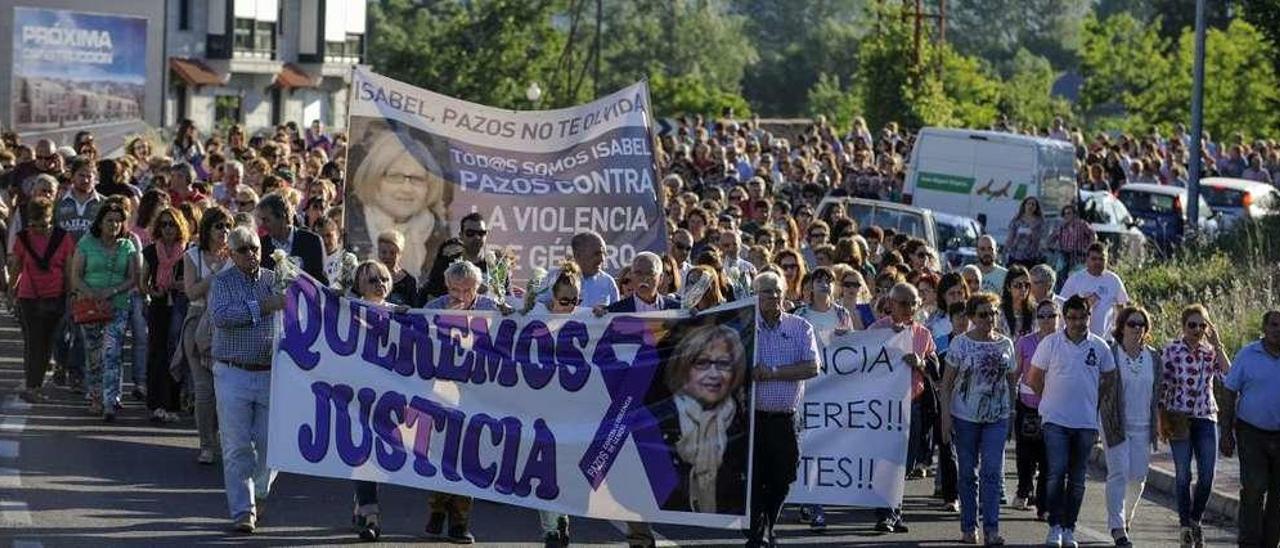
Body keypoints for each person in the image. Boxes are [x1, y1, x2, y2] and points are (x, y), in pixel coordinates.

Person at [209, 225, 285, 534]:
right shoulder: (222, 282)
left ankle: (261, 490)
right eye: (243, 249)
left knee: (272, 445)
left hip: (269, 372)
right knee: (237, 447)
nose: (251, 254)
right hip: (233, 372)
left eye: (255, 247)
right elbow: (222, 316)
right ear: (231, 253)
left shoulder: (274, 278)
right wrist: (264, 307)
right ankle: (243, 510)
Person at [1027, 295, 1117, 548]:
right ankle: (1054, 526)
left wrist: (1094, 402)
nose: (1077, 322)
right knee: (1056, 473)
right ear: (1065, 318)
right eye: (1072, 318)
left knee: (1077, 478)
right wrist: (1048, 400)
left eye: (1082, 317)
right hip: (1055, 420)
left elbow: (1109, 378)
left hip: (1086, 423)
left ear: (1089, 317)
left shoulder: (1100, 346)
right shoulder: (1051, 343)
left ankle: (1069, 528)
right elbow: (1034, 377)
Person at [421, 260, 501, 543]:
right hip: (440, 392)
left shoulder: (490, 308)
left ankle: (459, 521)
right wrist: (444, 319)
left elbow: (507, 335)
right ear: (446, 286)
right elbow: (416, 334)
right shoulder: (434, 308)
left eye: (466, 291)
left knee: (467, 456)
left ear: (477, 288)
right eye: (454, 289)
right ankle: (437, 510)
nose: (460, 296)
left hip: (475, 393)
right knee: (441, 453)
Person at [746, 271, 819, 548]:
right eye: (766, 291)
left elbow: (812, 367)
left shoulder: (800, 327)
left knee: (784, 476)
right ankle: (759, 535)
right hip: (752, 419)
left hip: (786, 419)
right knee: (755, 480)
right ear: (755, 295)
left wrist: (773, 372)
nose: (774, 296)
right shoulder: (744, 326)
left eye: (778, 291)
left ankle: (765, 526)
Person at [940, 292, 1017, 546]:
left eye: (993, 313)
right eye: (983, 314)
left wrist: (1012, 414)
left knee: (992, 473)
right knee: (967, 474)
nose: (989, 319)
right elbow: (947, 384)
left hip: (997, 417)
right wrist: (946, 420)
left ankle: (992, 529)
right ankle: (968, 527)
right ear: (971, 317)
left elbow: (1011, 380)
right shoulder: (960, 344)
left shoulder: (1005, 343)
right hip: (965, 417)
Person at [346, 260, 411, 542]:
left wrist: (410, 318)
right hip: (358, 395)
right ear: (359, 284)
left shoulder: (399, 312)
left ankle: (362, 504)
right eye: (372, 280)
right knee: (364, 452)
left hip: (389, 396)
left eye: (384, 279)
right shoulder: (349, 310)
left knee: (380, 455)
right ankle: (371, 514)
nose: (380, 284)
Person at [653, 324, 750, 513]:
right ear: (684, 367)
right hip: (673, 522)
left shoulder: (742, 424)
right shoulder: (660, 420)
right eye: (702, 363)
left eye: (723, 363)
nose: (713, 373)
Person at [1158, 304, 1231, 548]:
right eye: (1192, 325)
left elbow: (1229, 377)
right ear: (1183, 326)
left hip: (1206, 416)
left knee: (1207, 475)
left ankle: (1196, 519)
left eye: (1202, 325)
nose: (1197, 330)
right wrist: (1162, 419)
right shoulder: (1172, 349)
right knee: (1182, 475)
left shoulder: (1210, 352)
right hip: (1179, 417)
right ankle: (1185, 527)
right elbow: (1163, 386)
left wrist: (1218, 344)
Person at [524, 261, 585, 546]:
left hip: (570, 410)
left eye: (576, 301)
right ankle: (550, 529)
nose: (570, 306)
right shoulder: (534, 317)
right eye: (564, 300)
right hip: (539, 409)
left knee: (564, 470)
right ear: (552, 297)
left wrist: (599, 315)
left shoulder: (586, 320)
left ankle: (562, 521)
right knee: (543, 469)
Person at [870, 282, 938, 534]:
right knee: (888, 461)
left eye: (913, 303)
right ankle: (887, 512)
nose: (908, 308)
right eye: (902, 303)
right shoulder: (877, 330)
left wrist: (920, 362)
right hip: (885, 406)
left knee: (907, 462)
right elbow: (860, 358)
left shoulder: (923, 334)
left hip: (914, 403)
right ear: (890, 304)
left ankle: (894, 511)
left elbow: (935, 369)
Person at [346, 124, 452, 280]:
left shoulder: (439, 234)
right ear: (374, 178)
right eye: (396, 177)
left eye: (417, 179)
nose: (406, 188)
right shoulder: (348, 220)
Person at [791, 266, 853, 531]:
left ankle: (817, 505)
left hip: (833, 394)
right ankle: (807, 498)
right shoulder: (800, 315)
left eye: (829, 280)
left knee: (824, 449)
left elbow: (856, 349)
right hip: (805, 391)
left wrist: (844, 338)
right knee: (805, 448)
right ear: (810, 286)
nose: (824, 284)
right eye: (819, 280)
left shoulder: (842, 314)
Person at [69, 201, 139, 421]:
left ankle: (110, 401)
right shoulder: (86, 243)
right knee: (94, 354)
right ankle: (96, 397)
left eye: (118, 221)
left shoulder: (127, 245)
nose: (114, 224)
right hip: (90, 305)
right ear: (100, 222)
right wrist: (91, 292)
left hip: (116, 305)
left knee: (112, 352)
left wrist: (113, 291)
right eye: (109, 220)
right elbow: (76, 276)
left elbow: (133, 278)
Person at [1101, 306, 1162, 547]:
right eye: (1132, 324)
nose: (1137, 328)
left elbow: (1158, 392)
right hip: (1115, 423)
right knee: (1118, 473)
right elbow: (1102, 388)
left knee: (1138, 476)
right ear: (1121, 327)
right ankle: (1117, 527)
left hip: (1143, 424)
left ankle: (1126, 518)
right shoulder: (1111, 354)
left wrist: (1159, 423)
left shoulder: (1154, 358)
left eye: (1141, 324)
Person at [1220, 310, 1280, 548]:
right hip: (1252, 433)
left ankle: (1270, 542)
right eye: (1274, 325)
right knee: (1254, 489)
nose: (1278, 329)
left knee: (1278, 497)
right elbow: (1229, 391)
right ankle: (1249, 542)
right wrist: (1226, 432)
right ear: (1265, 329)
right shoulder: (1248, 355)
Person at [180, 206, 234, 465]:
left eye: (227, 227)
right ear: (208, 229)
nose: (224, 232)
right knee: (204, 389)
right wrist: (216, 274)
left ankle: (226, 439)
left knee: (225, 387)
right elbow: (191, 293)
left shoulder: (236, 256)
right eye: (219, 226)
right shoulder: (193, 256)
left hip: (226, 325)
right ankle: (206, 444)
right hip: (198, 321)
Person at [8, 198, 74, 403]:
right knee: (34, 341)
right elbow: (17, 267)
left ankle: (35, 385)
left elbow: (68, 271)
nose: (39, 230)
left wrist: (71, 296)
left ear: (51, 219)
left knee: (47, 342)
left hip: (55, 296)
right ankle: (32, 386)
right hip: (29, 297)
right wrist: (11, 293)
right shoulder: (23, 238)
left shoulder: (63, 238)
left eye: (44, 225)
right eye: (34, 225)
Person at [139, 207, 190, 423]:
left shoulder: (188, 251)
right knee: (157, 353)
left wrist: (181, 285)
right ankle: (156, 403)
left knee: (176, 354)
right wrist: (152, 290)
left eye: (172, 224)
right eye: (164, 224)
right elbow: (143, 282)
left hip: (180, 305)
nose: (168, 228)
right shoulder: (151, 251)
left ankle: (173, 404)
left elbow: (193, 280)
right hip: (159, 305)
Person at [1012, 300, 1057, 519]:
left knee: (1048, 456)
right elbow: (1015, 373)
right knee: (1025, 454)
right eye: (1042, 316)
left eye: (1051, 316)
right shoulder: (1025, 342)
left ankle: (1044, 505)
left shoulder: (1063, 343)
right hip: (1027, 405)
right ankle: (1023, 489)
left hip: (1054, 407)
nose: (1047, 320)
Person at [1058, 243, 1129, 338]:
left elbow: (1122, 307)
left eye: (1101, 259)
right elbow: (1062, 305)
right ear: (1087, 260)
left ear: (1107, 260)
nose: (1097, 262)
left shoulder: (1113, 280)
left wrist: (1120, 332)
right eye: (1094, 259)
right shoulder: (1075, 279)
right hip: (1079, 338)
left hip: (1106, 339)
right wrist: (1084, 303)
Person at [256, 193, 328, 284]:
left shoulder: (312, 241)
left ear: (283, 217)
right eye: (261, 220)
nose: (262, 225)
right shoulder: (262, 245)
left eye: (266, 220)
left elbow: (321, 281)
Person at [542, 231, 618, 308]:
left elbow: (618, 315)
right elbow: (537, 311)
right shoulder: (554, 278)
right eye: (596, 254)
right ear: (577, 255)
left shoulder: (608, 282)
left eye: (604, 253)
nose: (602, 259)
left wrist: (606, 312)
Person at [602, 252, 681, 314]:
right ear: (631, 276)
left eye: (650, 273)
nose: (644, 279)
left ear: (660, 278)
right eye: (638, 273)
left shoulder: (677, 309)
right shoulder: (615, 311)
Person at [1047, 205, 1095, 278]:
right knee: (1061, 277)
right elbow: (1050, 240)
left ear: (1075, 214)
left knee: (1078, 279)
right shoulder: (1061, 227)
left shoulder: (1082, 224)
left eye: (1069, 213)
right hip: (1064, 257)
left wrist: (1088, 249)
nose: (1066, 216)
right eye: (1064, 214)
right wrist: (1056, 248)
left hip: (1079, 257)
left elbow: (1093, 235)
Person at [376, 229, 418, 306]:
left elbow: (414, 308)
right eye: (384, 252)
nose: (387, 256)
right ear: (378, 253)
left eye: (392, 253)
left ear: (400, 254)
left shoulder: (409, 281)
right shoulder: (370, 277)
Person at [314, 216, 356, 292]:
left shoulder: (348, 259)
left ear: (337, 235)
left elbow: (350, 287)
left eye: (329, 235)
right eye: (321, 237)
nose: (325, 241)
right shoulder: (313, 261)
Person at [1006, 197, 1046, 268]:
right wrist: (1008, 247)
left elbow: (1040, 239)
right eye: (1028, 203)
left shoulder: (1039, 222)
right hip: (1015, 254)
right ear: (1024, 205)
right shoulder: (1017, 220)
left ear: (1036, 207)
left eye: (1033, 204)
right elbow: (1010, 236)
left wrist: (1032, 230)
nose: (1030, 206)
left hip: (1031, 256)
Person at [998, 265, 1034, 339]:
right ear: (1008, 287)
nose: (1023, 289)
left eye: (1027, 285)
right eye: (1018, 285)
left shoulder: (1035, 311)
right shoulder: (999, 311)